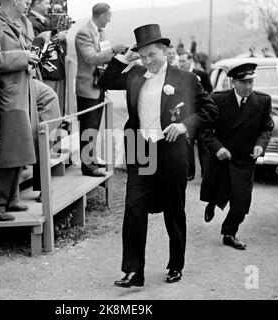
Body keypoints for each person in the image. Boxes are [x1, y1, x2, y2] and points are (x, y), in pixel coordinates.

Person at [98, 24, 218, 287]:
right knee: (133, 208)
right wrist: (126, 58)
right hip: (141, 147)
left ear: (164, 50)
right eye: (143, 56)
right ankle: (133, 271)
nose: (147, 61)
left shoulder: (185, 78)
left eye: (152, 54)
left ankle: (176, 264)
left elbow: (210, 110)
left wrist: (185, 125)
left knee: (174, 209)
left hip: (171, 149)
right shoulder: (135, 74)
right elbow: (103, 82)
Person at [200, 62, 274, 250]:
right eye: (243, 83)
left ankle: (229, 233)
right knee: (219, 189)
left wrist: (260, 145)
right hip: (222, 156)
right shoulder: (217, 99)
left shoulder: (263, 101)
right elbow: (205, 130)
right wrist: (217, 148)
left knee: (241, 200)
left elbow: (266, 128)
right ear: (233, 82)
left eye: (251, 82)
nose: (248, 87)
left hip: (245, 158)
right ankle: (213, 203)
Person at [0, 0, 40, 221]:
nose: (27, 5)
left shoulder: (16, 25)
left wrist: (29, 58)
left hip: (20, 92)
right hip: (6, 96)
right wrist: (24, 57)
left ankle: (10, 199)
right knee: (6, 150)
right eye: (25, 1)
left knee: (19, 147)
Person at [75, 2, 127, 177]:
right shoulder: (84, 33)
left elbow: (103, 57)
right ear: (102, 15)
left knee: (94, 127)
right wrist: (112, 51)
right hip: (87, 88)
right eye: (109, 16)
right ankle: (88, 166)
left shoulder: (101, 33)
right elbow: (91, 58)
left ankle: (91, 160)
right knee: (88, 126)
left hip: (98, 86)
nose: (110, 20)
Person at [178, 51, 213, 179]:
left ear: (190, 60)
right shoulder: (178, 75)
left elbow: (209, 92)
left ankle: (205, 173)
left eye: (183, 61)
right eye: (180, 61)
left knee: (204, 145)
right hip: (186, 115)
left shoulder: (202, 74)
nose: (181, 64)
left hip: (201, 115)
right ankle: (189, 173)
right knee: (188, 145)